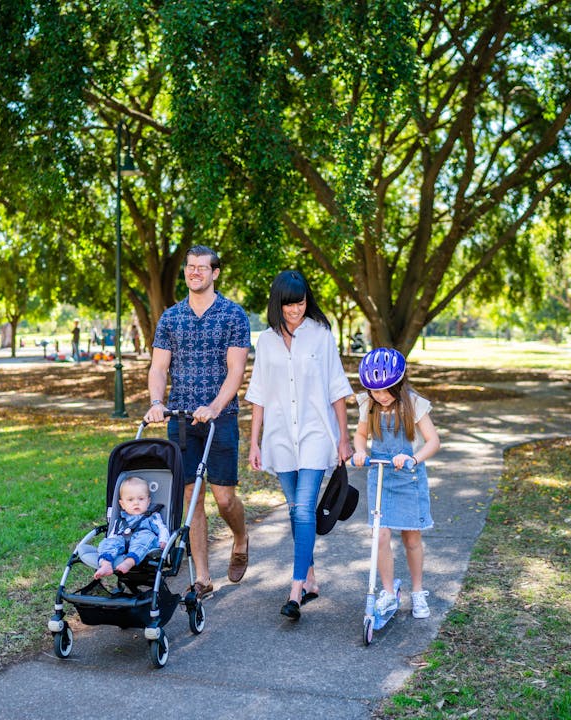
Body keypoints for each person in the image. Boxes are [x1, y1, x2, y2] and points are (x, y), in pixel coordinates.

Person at [144, 245, 251, 599]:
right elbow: (159, 368)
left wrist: (217, 405)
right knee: (191, 497)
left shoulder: (234, 315)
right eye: (190, 267)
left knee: (224, 499)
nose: (194, 273)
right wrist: (157, 402)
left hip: (221, 418)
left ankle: (240, 537)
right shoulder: (171, 318)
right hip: (181, 418)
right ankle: (203, 577)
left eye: (202, 268)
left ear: (215, 273)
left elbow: (236, 370)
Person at [246, 270, 353, 621]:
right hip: (279, 436)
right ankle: (311, 579)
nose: (296, 310)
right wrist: (254, 443)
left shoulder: (321, 334)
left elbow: (337, 387)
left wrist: (344, 437)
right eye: (289, 305)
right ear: (278, 304)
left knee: (305, 509)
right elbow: (258, 395)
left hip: (315, 433)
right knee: (295, 510)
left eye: (302, 303)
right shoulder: (266, 341)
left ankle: (294, 590)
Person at [351, 347, 441, 619]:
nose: (379, 396)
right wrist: (359, 451)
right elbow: (361, 434)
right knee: (380, 535)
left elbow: (433, 441)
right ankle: (388, 591)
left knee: (411, 537)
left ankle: (417, 591)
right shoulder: (370, 405)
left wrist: (413, 458)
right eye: (374, 391)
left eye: (385, 390)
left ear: (399, 384)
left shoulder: (413, 404)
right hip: (380, 476)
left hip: (409, 477)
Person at [94, 476, 169, 579]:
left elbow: (162, 529)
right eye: (130, 500)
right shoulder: (121, 519)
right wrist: (111, 540)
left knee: (146, 536)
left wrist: (163, 540)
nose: (136, 503)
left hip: (145, 543)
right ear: (122, 504)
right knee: (109, 542)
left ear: (148, 501)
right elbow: (113, 533)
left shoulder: (153, 516)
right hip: (123, 541)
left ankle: (129, 562)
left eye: (141, 499)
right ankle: (106, 564)